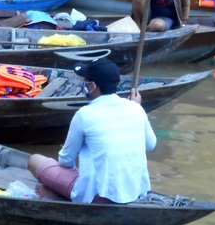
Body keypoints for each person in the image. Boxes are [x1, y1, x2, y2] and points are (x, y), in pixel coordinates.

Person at [26, 58, 156, 204]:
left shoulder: (84, 114)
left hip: (98, 197)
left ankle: (60, 192)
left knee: (34, 160)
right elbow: (150, 145)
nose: (83, 84)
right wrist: (137, 108)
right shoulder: (136, 108)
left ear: (93, 86)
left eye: (86, 81)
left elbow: (65, 160)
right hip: (136, 192)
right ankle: (60, 190)